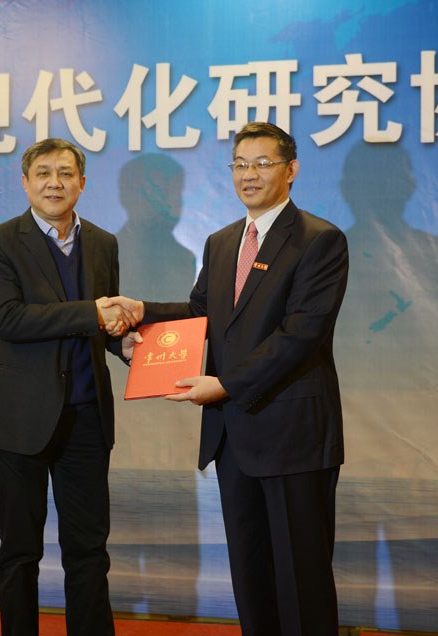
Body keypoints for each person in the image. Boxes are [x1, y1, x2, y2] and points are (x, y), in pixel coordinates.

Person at [114, 122, 349, 635]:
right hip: (233, 437)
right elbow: (200, 313)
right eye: (240, 164)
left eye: (263, 163)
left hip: (292, 437)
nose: (249, 175)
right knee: (251, 574)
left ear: (291, 169)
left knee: (301, 580)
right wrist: (142, 314)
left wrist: (225, 385)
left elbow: (300, 335)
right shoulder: (222, 242)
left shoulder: (319, 239)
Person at [0, 137, 140, 636]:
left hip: (87, 417)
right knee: (20, 552)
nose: (55, 183)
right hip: (19, 421)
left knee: (88, 551)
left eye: (66, 173)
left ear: (82, 183)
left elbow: (102, 326)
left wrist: (124, 345)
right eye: (43, 173)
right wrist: (94, 313)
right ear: (25, 183)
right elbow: (10, 320)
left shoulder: (103, 243)